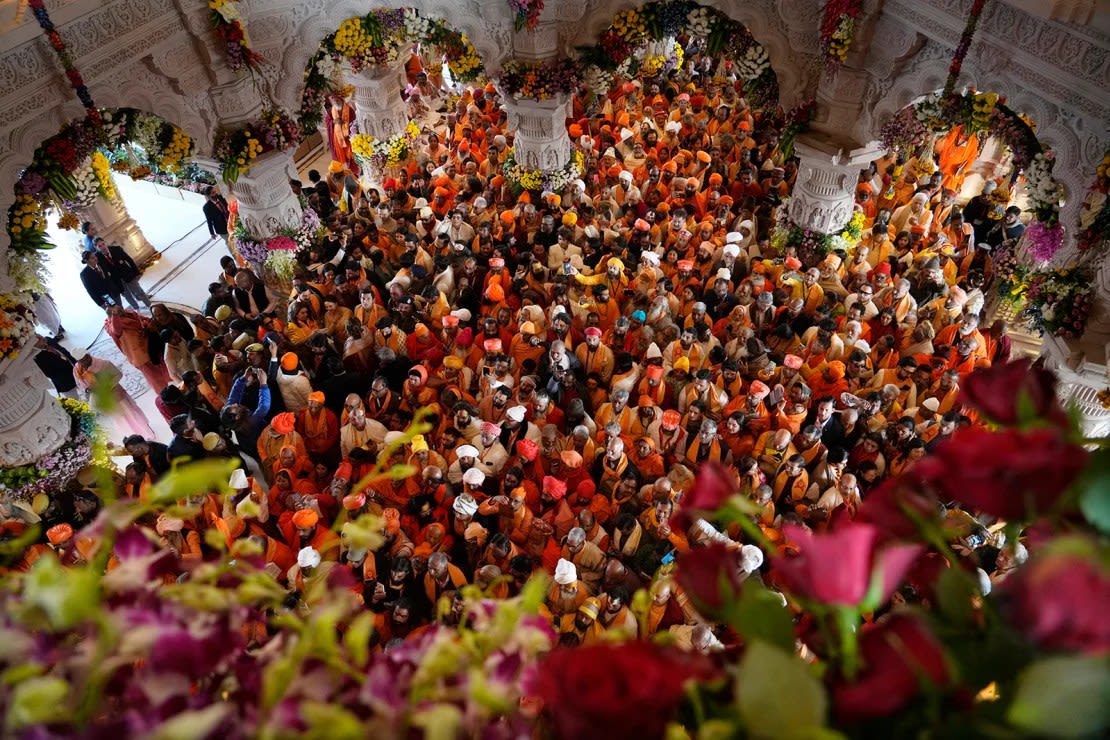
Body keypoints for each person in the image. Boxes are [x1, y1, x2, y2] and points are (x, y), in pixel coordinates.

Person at [93, 236, 151, 311]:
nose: (103, 247)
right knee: (127, 296)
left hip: (127, 274)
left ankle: (149, 305)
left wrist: (137, 272)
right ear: (96, 248)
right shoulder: (98, 258)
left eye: (103, 244)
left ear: (105, 243)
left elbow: (129, 260)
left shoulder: (117, 249)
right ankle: (137, 309)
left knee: (138, 291)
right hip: (116, 281)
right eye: (99, 246)